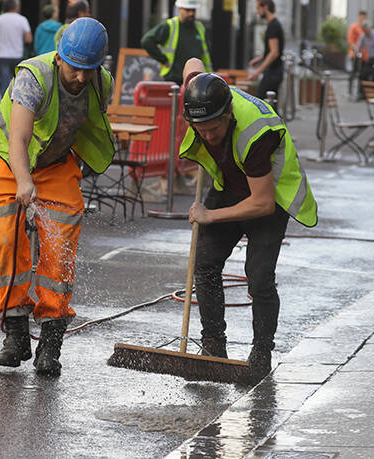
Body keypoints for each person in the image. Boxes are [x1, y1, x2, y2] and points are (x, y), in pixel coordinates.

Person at [0, 18, 115, 376]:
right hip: (9, 164)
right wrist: (24, 181)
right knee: (6, 246)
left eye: (91, 69)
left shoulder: (102, 84)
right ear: (60, 58)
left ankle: (50, 345)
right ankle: (15, 335)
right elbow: (19, 139)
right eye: (76, 68)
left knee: (60, 254)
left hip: (56, 166)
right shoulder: (33, 77)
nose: (82, 77)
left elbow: (89, 126)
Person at [178, 58, 318, 383]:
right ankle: (213, 347)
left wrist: (209, 215)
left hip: (269, 198)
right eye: (201, 128)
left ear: (228, 114)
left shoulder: (256, 133)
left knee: (258, 277)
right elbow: (192, 63)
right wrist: (192, 76)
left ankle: (261, 352)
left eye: (214, 128)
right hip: (231, 185)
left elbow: (262, 203)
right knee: (206, 263)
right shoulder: (201, 98)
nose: (207, 135)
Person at [141, 0, 212, 85]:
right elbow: (146, 41)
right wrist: (163, 59)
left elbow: (205, 54)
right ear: (179, 9)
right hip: (174, 79)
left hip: (195, 80)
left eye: (193, 10)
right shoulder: (170, 26)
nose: (191, 13)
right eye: (187, 10)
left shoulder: (200, 28)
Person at [0, 0, 33, 98]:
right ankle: (16, 101)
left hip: (3, 54)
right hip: (17, 54)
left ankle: (4, 102)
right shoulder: (22, 20)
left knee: (4, 81)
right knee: (18, 81)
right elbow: (28, 39)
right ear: (16, 7)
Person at [248, 0, 285, 100]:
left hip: (273, 72)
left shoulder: (273, 26)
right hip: (274, 71)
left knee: (262, 101)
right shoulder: (273, 24)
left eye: (258, 8)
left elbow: (274, 52)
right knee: (270, 104)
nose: (257, 11)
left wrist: (258, 71)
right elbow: (270, 51)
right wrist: (259, 59)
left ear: (265, 7)